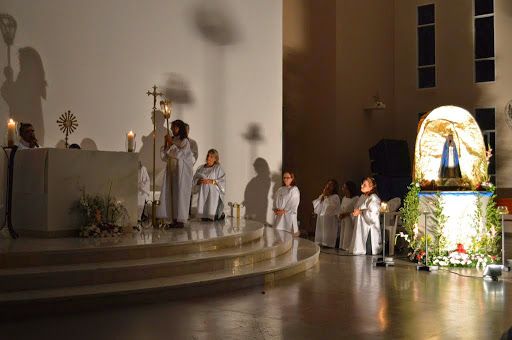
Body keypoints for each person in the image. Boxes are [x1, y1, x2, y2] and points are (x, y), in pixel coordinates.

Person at [156, 119, 195, 228]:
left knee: (179, 194)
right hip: (171, 170)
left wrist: (170, 143)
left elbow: (179, 154)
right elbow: (164, 157)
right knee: (170, 194)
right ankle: (172, 218)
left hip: (180, 172)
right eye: (172, 127)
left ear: (180, 128)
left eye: (174, 127)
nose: (172, 129)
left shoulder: (184, 141)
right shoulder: (173, 139)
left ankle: (179, 219)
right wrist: (166, 143)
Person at [349, 177, 381, 255]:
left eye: (364, 185)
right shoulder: (362, 197)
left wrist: (360, 212)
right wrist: (356, 212)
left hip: (369, 228)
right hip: (360, 226)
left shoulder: (373, 198)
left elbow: (373, 215)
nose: (361, 186)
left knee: (368, 250)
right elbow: (357, 208)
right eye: (361, 184)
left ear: (371, 187)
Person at [193, 149, 226, 221]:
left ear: (215, 159)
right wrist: (198, 181)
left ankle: (217, 215)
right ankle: (204, 215)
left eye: (211, 157)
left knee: (212, 212)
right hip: (203, 192)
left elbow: (222, 181)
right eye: (208, 155)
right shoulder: (201, 168)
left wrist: (211, 181)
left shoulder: (217, 168)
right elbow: (194, 179)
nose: (208, 158)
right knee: (203, 215)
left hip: (213, 193)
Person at [313, 179, 341, 248]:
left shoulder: (335, 197)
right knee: (321, 229)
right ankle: (320, 242)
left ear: (334, 188)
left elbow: (331, 208)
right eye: (328, 184)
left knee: (328, 231)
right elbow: (317, 205)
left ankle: (328, 244)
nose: (328, 186)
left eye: (331, 185)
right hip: (321, 218)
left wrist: (326, 197)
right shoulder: (323, 195)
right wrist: (323, 197)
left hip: (330, 219)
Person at [273, 171, 300, 236]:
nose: (285, 179)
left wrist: (284, 211)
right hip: (279, 217)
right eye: (284, 178)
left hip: (289, 217)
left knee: (289, 240)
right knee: (279, 237)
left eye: (287, 177)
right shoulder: (280, 189)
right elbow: (275, 200)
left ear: (292, 178)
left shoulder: (294, 190)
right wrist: (275, 209)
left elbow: (294, 204)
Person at [338, 181, 359, 250]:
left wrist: (347, 214)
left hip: (350, 219)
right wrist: (340, 214)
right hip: (344, 219)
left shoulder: (356, 198)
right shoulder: (344, 198)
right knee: (343, 233)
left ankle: (348, 247)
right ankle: (342, 246)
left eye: (344, 187)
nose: (343, 189)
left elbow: (356, 210)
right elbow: (341, 208)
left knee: (348, 233)